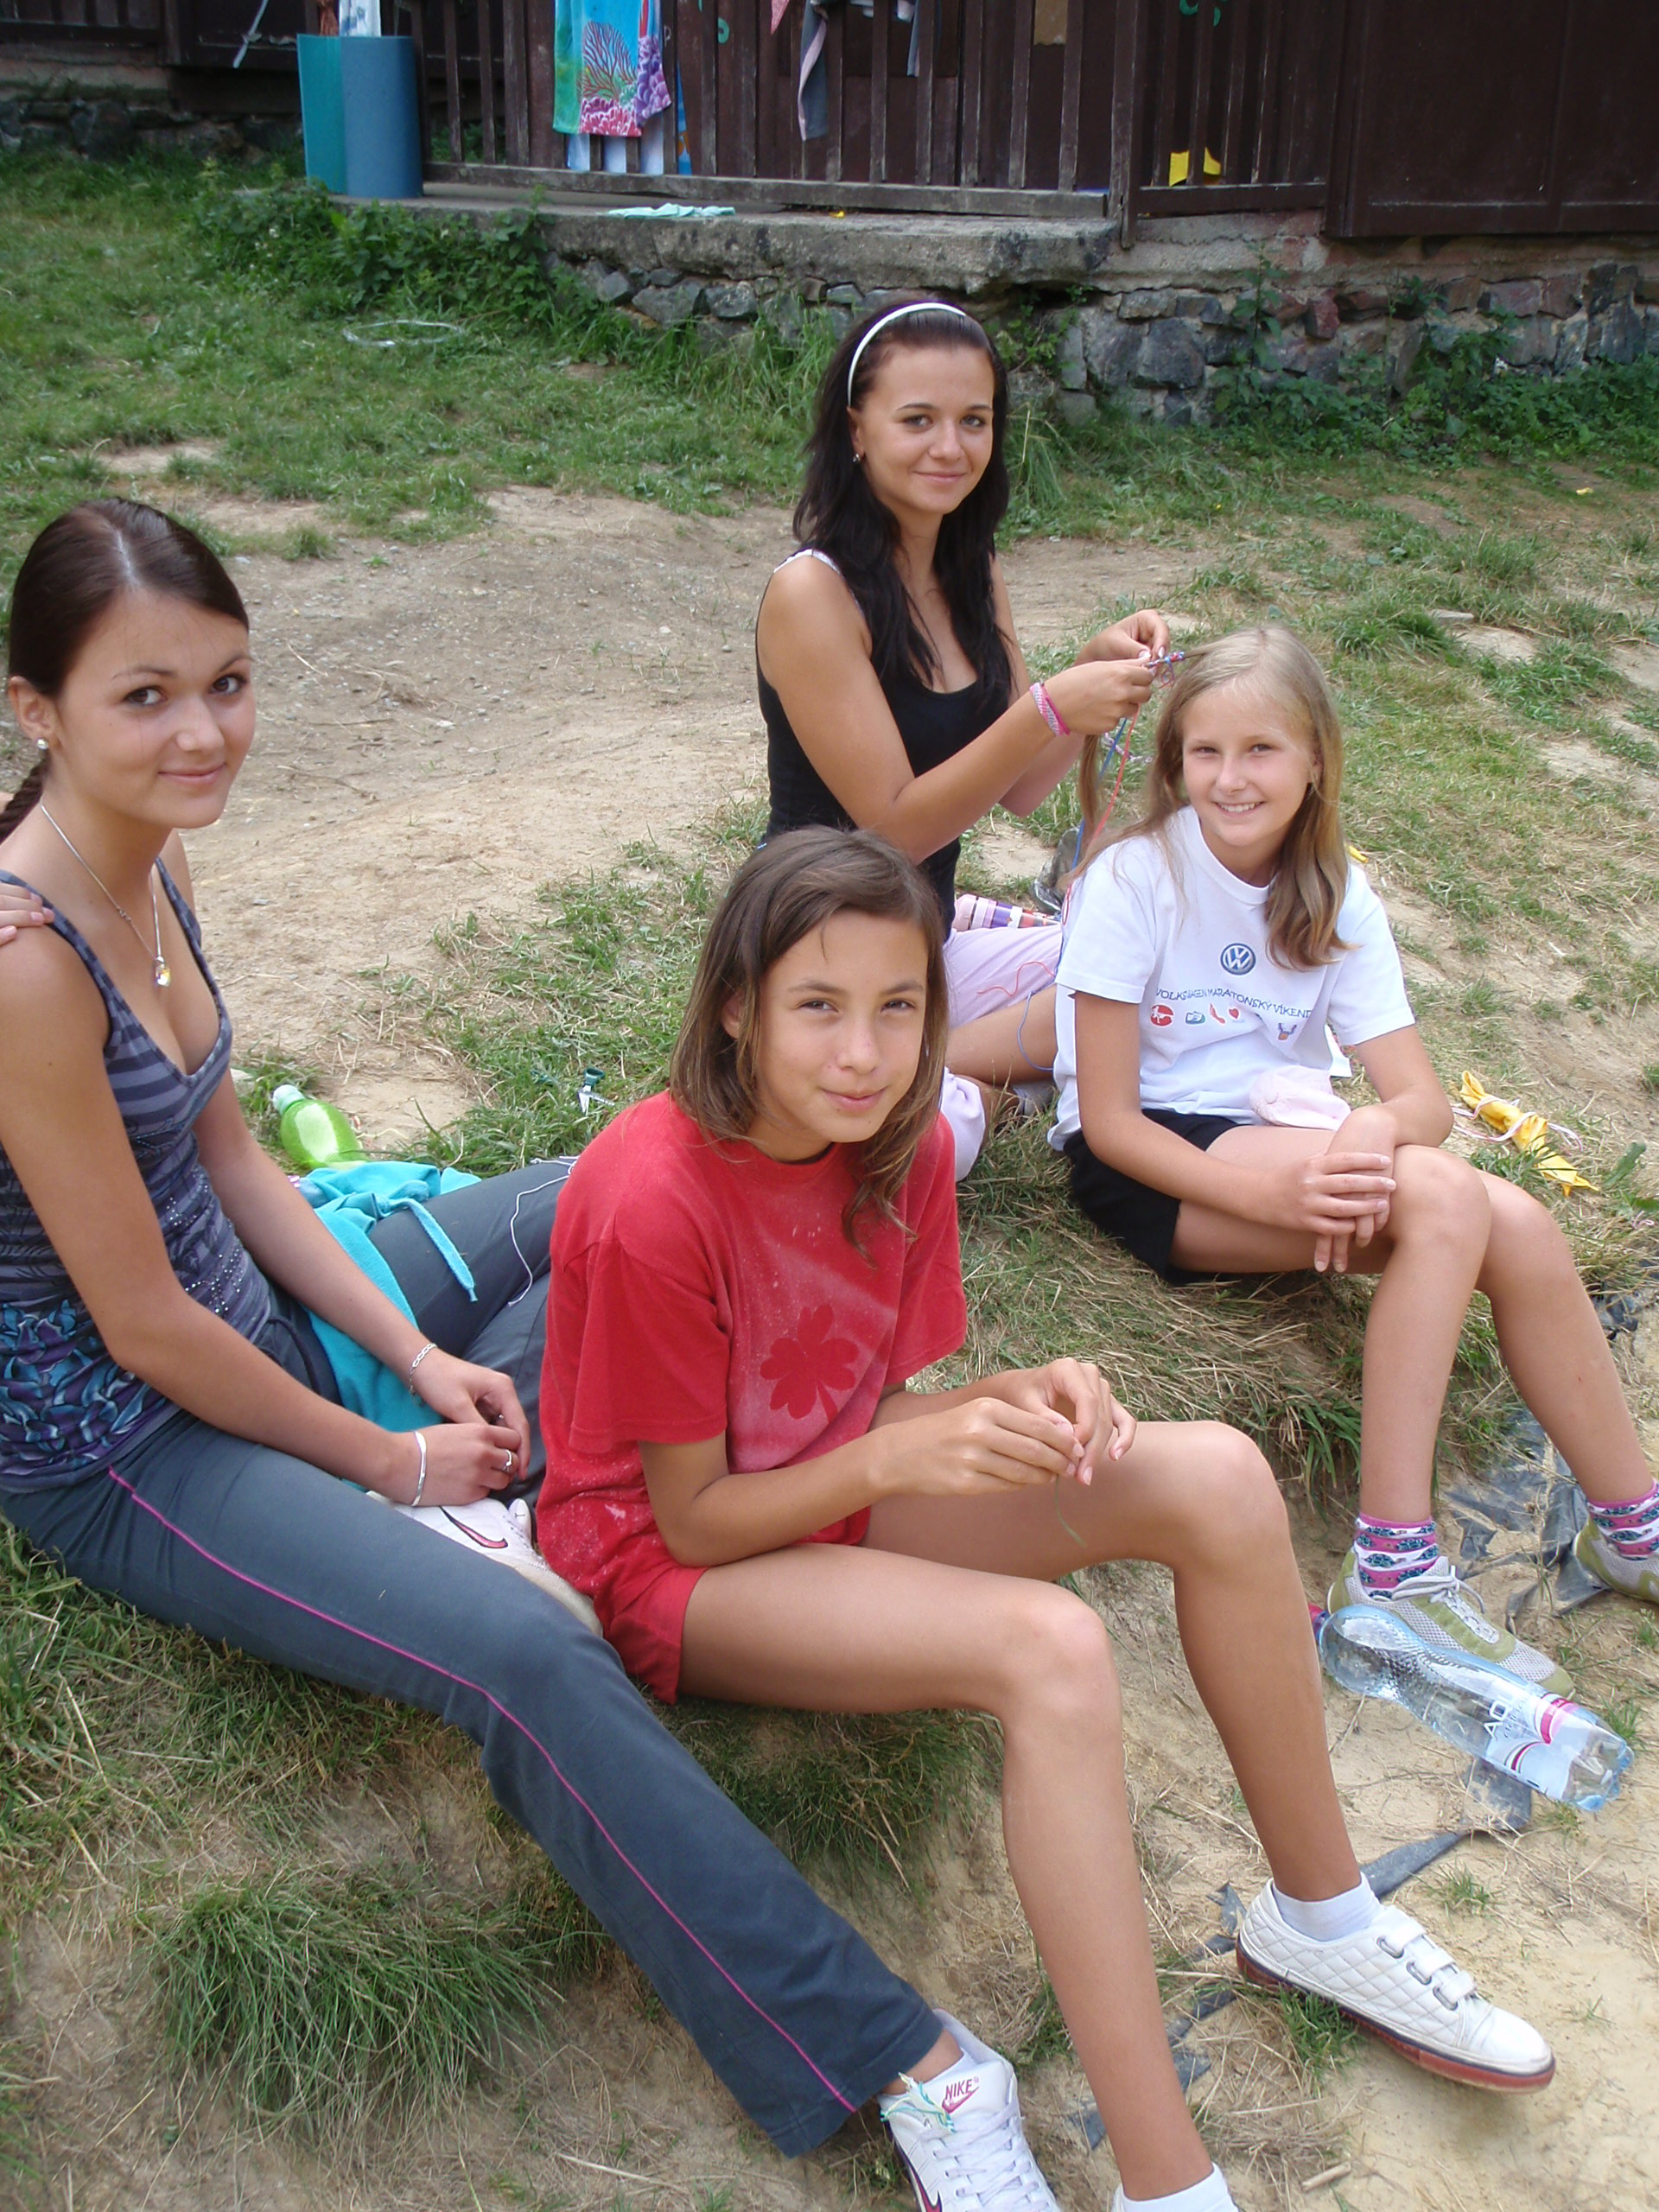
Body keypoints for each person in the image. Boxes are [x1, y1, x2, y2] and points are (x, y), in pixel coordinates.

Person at [0, 499, 1055, 2187]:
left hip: (258, 1312)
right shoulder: (25, 964)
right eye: (145, 697)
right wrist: (390, 1459)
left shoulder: (154, 857)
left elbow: (232, 1161)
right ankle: (906, 2061)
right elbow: (146, 1323)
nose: (201, 732)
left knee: (614, 1187)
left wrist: (420, 1360)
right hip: (130, 1436)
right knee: (521, 1654)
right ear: (35, 708)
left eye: (228, 682)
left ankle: (584, 1488)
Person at [537, 824, 1554, 2212]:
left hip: (818, 1483)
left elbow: (857, 1397)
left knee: (1218, 1477)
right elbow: (700, 1518)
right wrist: (904, 1457)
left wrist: (1010, 1399)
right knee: (1054, 1650)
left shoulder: (896, 1150)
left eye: (900, 1007)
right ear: (735, 1008)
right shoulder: (650, 1193)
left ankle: (1322, 1918)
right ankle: (1167, 2179)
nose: (862, 1053)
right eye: (818, 1006)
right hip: (671, 1560)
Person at [1052, 623, 1659, 1673]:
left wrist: (1373, 1125)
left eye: (1261, 750)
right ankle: (1391, 1560)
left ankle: (1631, 1525)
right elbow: (1107, 1124)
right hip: (1155, 1155)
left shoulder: (1335, 889)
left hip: (1286, 1137)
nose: (1231, 778)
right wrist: (1277, 1202)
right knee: (1451, 1202)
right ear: (1176, 761)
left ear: (1315, 760)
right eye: (1206, 751)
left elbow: (1420, 1098)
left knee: (1516, 1223)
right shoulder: (1135, 879)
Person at [759, 296, 1171, 1179]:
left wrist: (1090, 672)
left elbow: (1020, 786)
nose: (950, 448)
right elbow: (894, 829)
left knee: (1156, 971)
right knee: (911, 1154)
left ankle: (943, 1060)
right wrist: (1049, 708)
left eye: (974, 421)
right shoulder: (812, 594)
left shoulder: (971, 568)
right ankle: (969, 1079)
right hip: (818, 950)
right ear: (857, 430)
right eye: (918, 420)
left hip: (925, 944)